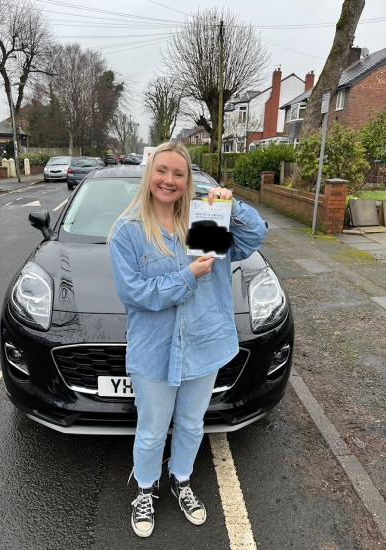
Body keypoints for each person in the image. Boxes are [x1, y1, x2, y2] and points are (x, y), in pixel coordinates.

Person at [109, 141, 267, 538]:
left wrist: (232, 206)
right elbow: (136, 293)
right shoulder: (127, 234)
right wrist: (187, 276)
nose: (169, 180)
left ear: (188, 180)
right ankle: (145, 490)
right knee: (151, 428)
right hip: (155, 349)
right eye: (162, 171)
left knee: (192, 425)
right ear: (150, 174)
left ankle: (181, 480)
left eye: (179, 173)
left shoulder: (206, 222)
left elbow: (254, 238)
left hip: (204, 342)